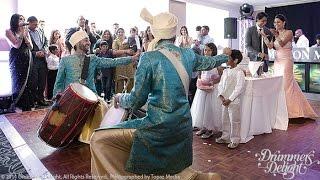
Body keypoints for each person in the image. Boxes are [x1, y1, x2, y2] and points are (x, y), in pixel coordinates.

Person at [90, 8, 231, 179]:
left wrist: (120, 98)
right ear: (174, 33)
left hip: (157, 127)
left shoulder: (149, 58)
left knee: (98, 139)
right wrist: (225, 56)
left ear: (156, 33)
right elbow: (210, 62)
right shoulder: (188, 54)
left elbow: (136, 100)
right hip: (183, 127)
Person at [53, 30, 139, 144]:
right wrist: (57, 98)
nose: (89, 42)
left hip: (92, 98)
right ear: (77, 43)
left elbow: (112, 62)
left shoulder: (92, 59)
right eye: (86, 40)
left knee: (102, 107)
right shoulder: (65, 60)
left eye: (88, 40)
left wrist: (131, 58)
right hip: (72, 100)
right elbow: (59, 82)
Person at [262, 14, 318, 119]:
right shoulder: (276, 34)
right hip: (277, 61)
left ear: (284, 23)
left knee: (286, 84)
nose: (276, 24)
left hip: (286, 60)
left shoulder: (289, 32)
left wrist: (276, 35)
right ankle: (282, 109)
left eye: (278, 22)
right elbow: (270, 46)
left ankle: (291, 112)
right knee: (280, 84)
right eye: (274, 22)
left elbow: (282, 44)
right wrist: (265, 37)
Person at [191, 43, 223, 139]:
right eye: (205, 50)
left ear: (213, 51)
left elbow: (221, 76)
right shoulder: (203, 62)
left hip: (212, 89)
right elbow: (200, 74)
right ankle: (203, 127)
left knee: (210, 108)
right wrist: (200, 81)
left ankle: (210, 129)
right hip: (203, 88)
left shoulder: (217, 62)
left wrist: (213, 82)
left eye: (209, 50)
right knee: (202, 108)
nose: (206, 52)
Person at [215, 50, 245, 149]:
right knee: (225, 119)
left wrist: (230, 99)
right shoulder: (225, 71)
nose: (226, 60)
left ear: (235, 60)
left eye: (228, 58)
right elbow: (220, 85)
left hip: (233, 101)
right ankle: (225, 137)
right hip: (224, 100)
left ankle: (235, 139)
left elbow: (239, 88)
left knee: (234, 120)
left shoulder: (239, 72)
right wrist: (222, 96)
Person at [5, 14, 34, 111]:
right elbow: (16, 45)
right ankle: (17, 105)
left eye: (23, 19)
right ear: (15, 20)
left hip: (27, 57)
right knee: (18, 80)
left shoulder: (26, 31)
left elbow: (31, 47)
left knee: (28, 81)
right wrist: (21, 33)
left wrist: (25, 35)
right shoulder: (9, 31)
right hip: (16, 58)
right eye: (20, 19)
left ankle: (27, 105)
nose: (23, 21)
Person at [28, 16, 49, 107]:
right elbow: (24, 47)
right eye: (34, 24)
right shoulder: (26, 33)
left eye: (37, 24)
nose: (36, 26)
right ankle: (32, 101)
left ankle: (41, 99)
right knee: (33, 82)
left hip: (42, 60)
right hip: (33, 60)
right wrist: (35, 53)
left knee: (42, 81)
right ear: (29, 23)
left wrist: (44, 51)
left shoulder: (41, 30)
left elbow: (46, 42)